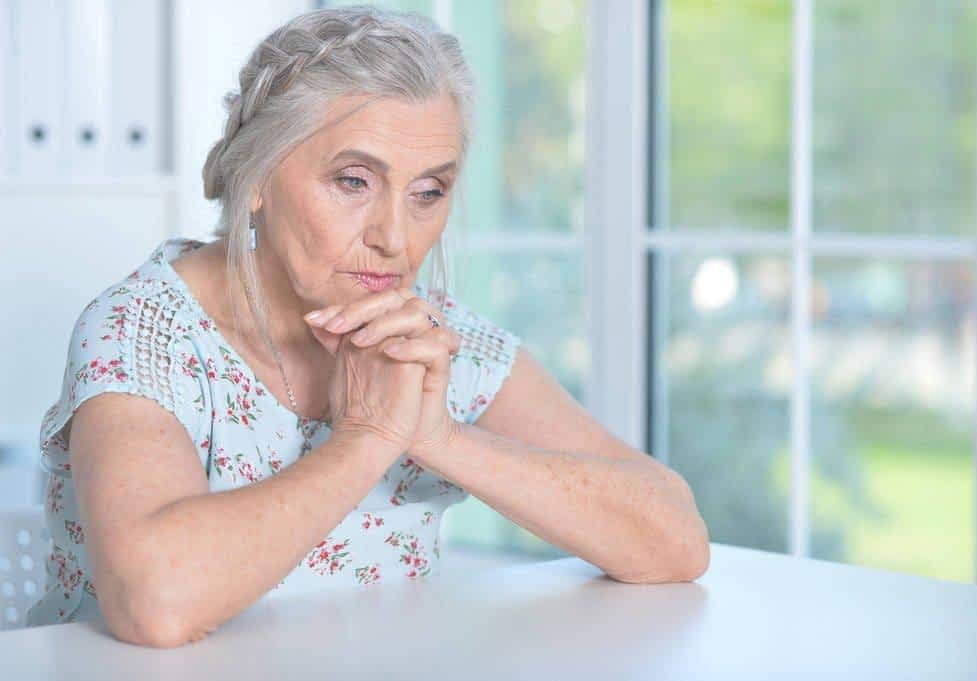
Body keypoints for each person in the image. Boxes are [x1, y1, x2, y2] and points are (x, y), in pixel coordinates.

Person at [25, 5, 709, 646]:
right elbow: (157, 600)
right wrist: (366, 439)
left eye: (427, 193)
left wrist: (439, 435)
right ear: (254, 176)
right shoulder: (141, 332)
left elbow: (674, 539)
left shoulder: (433, 342)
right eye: (353, 181)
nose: (393, 236)